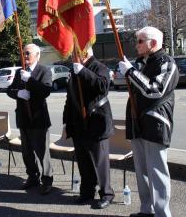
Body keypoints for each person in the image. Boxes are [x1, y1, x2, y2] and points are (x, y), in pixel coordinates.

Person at [118, 26, 179, 217]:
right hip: (138, 123)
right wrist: (128, 72)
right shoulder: (141, 62)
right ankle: (147, 209)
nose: (136, 45)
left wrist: (131, 73)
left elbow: (155, 90)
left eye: (140, 41)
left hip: (155, 123)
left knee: (157, 172)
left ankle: (162, 214)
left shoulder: (167, 62)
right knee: (142, 170)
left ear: (152, 43)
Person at [63, 47, 115, 210]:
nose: (72, 56)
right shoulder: (74, 70)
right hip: (78, 123)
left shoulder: (100, 67)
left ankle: (106, 193)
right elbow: (70, 98)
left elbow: (102, 86)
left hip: (96, 122)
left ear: (84, 53)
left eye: (74, 53)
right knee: (84, 162)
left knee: (100, 163)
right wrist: (66, 122)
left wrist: (83, 71)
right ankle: (86, 192)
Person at [7, 44, 53, 195]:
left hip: (38, 118)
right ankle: (32, 176)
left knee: (42, 151)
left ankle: (47, 180)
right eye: (24, 53)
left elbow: (46, 91)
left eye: (28, 53)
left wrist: (31, 80)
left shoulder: (43, 71)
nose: (25, 56)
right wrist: (18, 93)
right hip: (23, 117)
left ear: (37, 55)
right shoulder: (21, 71)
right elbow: (9, 90)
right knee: (27, 152)